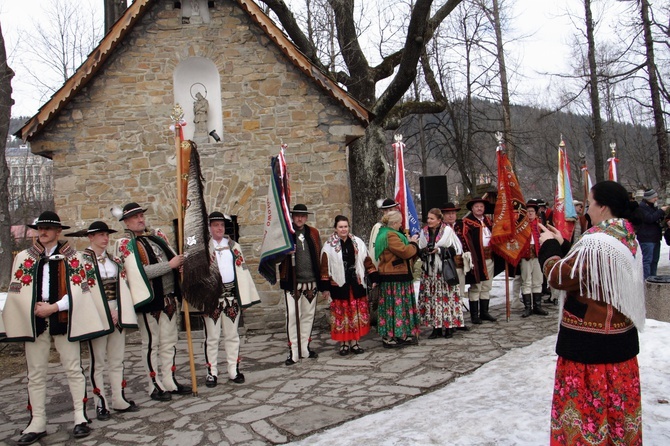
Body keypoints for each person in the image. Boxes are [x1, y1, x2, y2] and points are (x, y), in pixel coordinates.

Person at [538, 181, 645, 445]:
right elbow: (589, 274)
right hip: (620, 345)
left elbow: (560, 276)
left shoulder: (598, 241)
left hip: (589, 350)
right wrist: (564, 245)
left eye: (590, 204)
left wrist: (548, 247)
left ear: (603, 207)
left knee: (586, 416)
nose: (587, 211)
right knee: (616, 415)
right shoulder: (627, 237)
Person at [2, 212, 113, 445]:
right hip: (36, 320)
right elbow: (17, 289)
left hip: (63, 318)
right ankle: (37, 422)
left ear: (58, 231)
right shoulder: (24, 257)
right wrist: (31, 307)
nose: (43, 232)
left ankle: (80, 417)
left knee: (73, 368)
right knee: (35, 372)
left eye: (48, 228)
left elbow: (80, 291)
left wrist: (53, 307)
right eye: (40, 228)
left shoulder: (74, 257)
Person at [115, 202, 191, 401]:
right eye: (135, 217)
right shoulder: (125, 244)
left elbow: (173, 260)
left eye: (141, 215)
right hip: (149, 300)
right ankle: (153, 384)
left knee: (169, 341)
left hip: (168, 297)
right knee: (151, 343)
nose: (140, 219)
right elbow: (138, 273)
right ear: (126, 222)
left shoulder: (156, 239)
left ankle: (169, 380)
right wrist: (170, 265)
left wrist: (179, 266)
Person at [68, 221, 140, 420]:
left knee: (117, 359)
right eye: (100, 235)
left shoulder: (114, 260)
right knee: (97, 361)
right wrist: (102, 312)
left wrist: (118, 309)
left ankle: (119, 398)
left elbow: (123, 286)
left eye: (106, 235)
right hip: (97, 314)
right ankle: (100, 402)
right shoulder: (81, 260)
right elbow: (80, 290)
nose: (105, 238)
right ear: (90, 237)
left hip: (117, 311)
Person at [203, 212, 261, 387]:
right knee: (212, 337)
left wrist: (244, 297)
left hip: (230, 298)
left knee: (232, 335)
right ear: (209, 228)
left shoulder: (234, 246)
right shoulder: (203, 249)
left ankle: (233, 370)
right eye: (215, 225)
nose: (219, 228)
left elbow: (242, 272)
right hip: (212, 298)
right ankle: (211, 372)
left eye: (221, 225)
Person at [320, 215, 377, 355]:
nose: (343, 229)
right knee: (342, 315)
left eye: (345, 226)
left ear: (348, 227)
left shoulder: (357, 242)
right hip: (339, 285)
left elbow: (366, 260)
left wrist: (373, 276)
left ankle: (355, 343)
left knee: (355, 313)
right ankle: (344, 344)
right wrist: (325, 288)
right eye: (340, 227)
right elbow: (324, 267)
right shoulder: (329, 246)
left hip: (355, 283)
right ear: (335, 228)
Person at [278, 204, 324, 365]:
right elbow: (276, 258)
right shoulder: (286, 234)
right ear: (293, 216)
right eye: (297, 215)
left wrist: (322, 281)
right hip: (293, 284)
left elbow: (320, 256)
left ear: (306, 217)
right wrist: (285, 252)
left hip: (311, 282)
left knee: (308, 316)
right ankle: (293, 350)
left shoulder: (313, 233)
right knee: (292, 316)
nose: (299, 218)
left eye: (302, 216)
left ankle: (305, 347)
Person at [374, 210, 421, 348]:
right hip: (394, 276)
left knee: (395, 307)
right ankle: (390, 336)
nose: (401, 224)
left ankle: (399, 334)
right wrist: (413, 244)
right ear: (394, 223)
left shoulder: (386, 233)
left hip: (396, 275)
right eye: (399, 222)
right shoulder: (390, 235)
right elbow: (405, 252)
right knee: (395, 307)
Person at [418, 208, 466, 339]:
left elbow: (453, 249)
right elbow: (420, 248)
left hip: (443, 270)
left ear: (439, 220)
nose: (429, 221)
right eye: (428, 218)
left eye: (432, 219)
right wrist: (425, 251)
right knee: (433, 299)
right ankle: (436, 328)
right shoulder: (424, 232)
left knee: (446, 298)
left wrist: (439, 249)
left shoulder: (447, 231)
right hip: (430, 271)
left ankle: (449, 327)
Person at [461, 197, 498, 324]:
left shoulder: (488, 221)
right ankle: (475, 315)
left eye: (481, 207)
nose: (479, 208)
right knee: (476, 286)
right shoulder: (467, 222)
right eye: (477, 206)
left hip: (489, 257)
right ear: (472, 208)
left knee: (486, 286)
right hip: (477, 259)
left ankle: (484, 312)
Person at [367, 198, 399, 326]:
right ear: (384, 212)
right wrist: (375, 272)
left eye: (393, 209)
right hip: (383, 269)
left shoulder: (396, 227)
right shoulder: (379, 227)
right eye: (388, 210)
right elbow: (374, 250)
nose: (391, 212)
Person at [518, 202, 548, 318]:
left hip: (538, 255)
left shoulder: (540, 225)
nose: (530, 213)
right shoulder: (521, 225)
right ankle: (527, 307)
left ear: (536, 213)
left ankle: (537, 306)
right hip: (526, 255)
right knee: (526, 281)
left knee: (538, 280)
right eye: (528, 211)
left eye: (532, 211)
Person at [637, 188, 668, 278]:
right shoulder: (642, 207)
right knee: (647, 261)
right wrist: (661, 211)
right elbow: (650, 218)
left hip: (655, 238)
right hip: (647, 239)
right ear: (649, 198)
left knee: (654, 260)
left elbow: (656, 218)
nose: (656, 199)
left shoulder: (653, 207)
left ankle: (653, 278)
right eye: (654, 197)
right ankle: (647, 280)